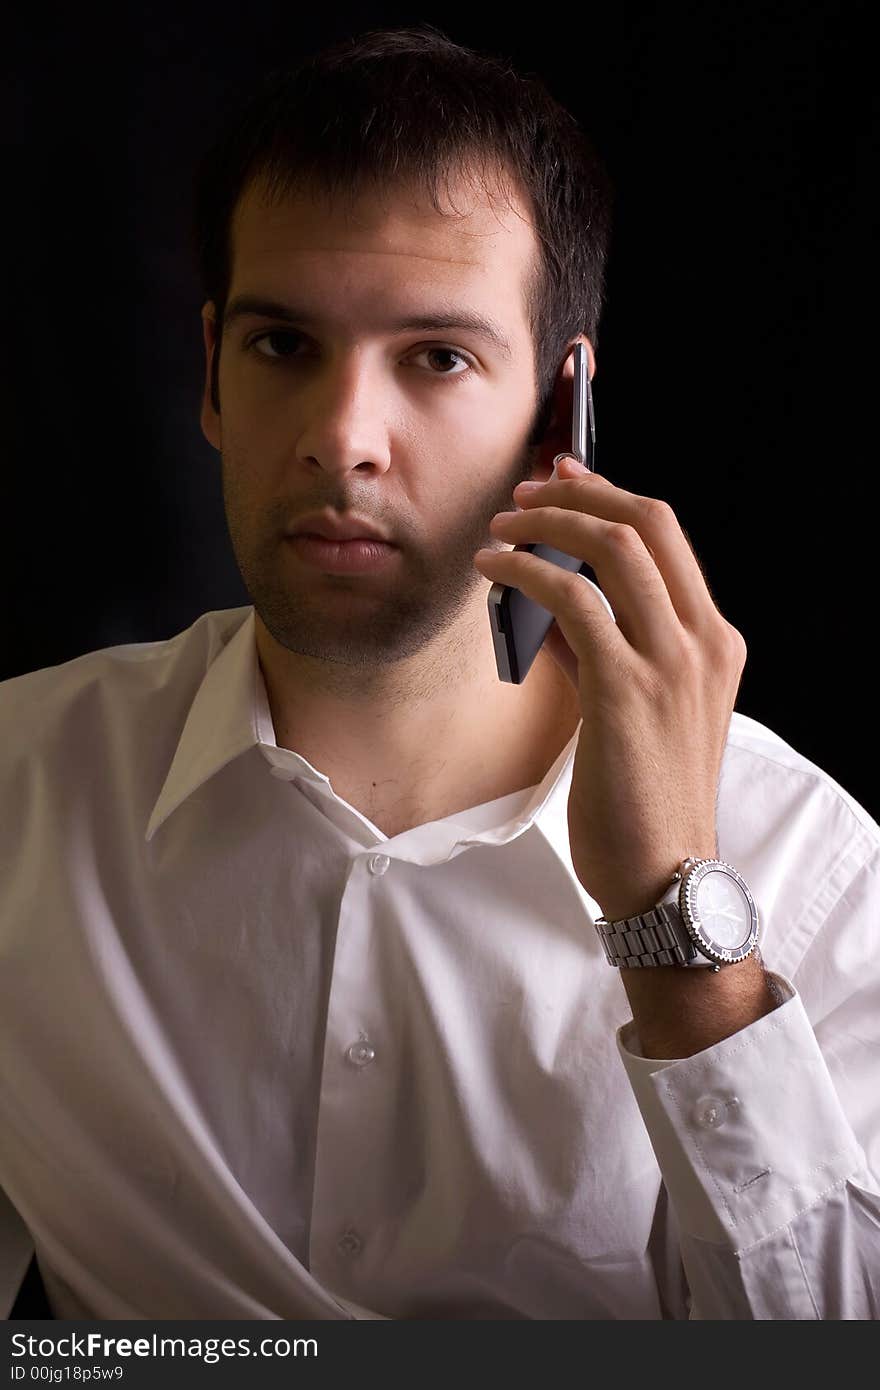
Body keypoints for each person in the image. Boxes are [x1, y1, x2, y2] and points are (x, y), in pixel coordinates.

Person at [1, 24, 878, 1322]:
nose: (343, 439)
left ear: (558, 415)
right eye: (284, 346)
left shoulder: (811, 865)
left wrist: (674, 928)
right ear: (207, 374)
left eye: (439, 356)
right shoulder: (21, 788)